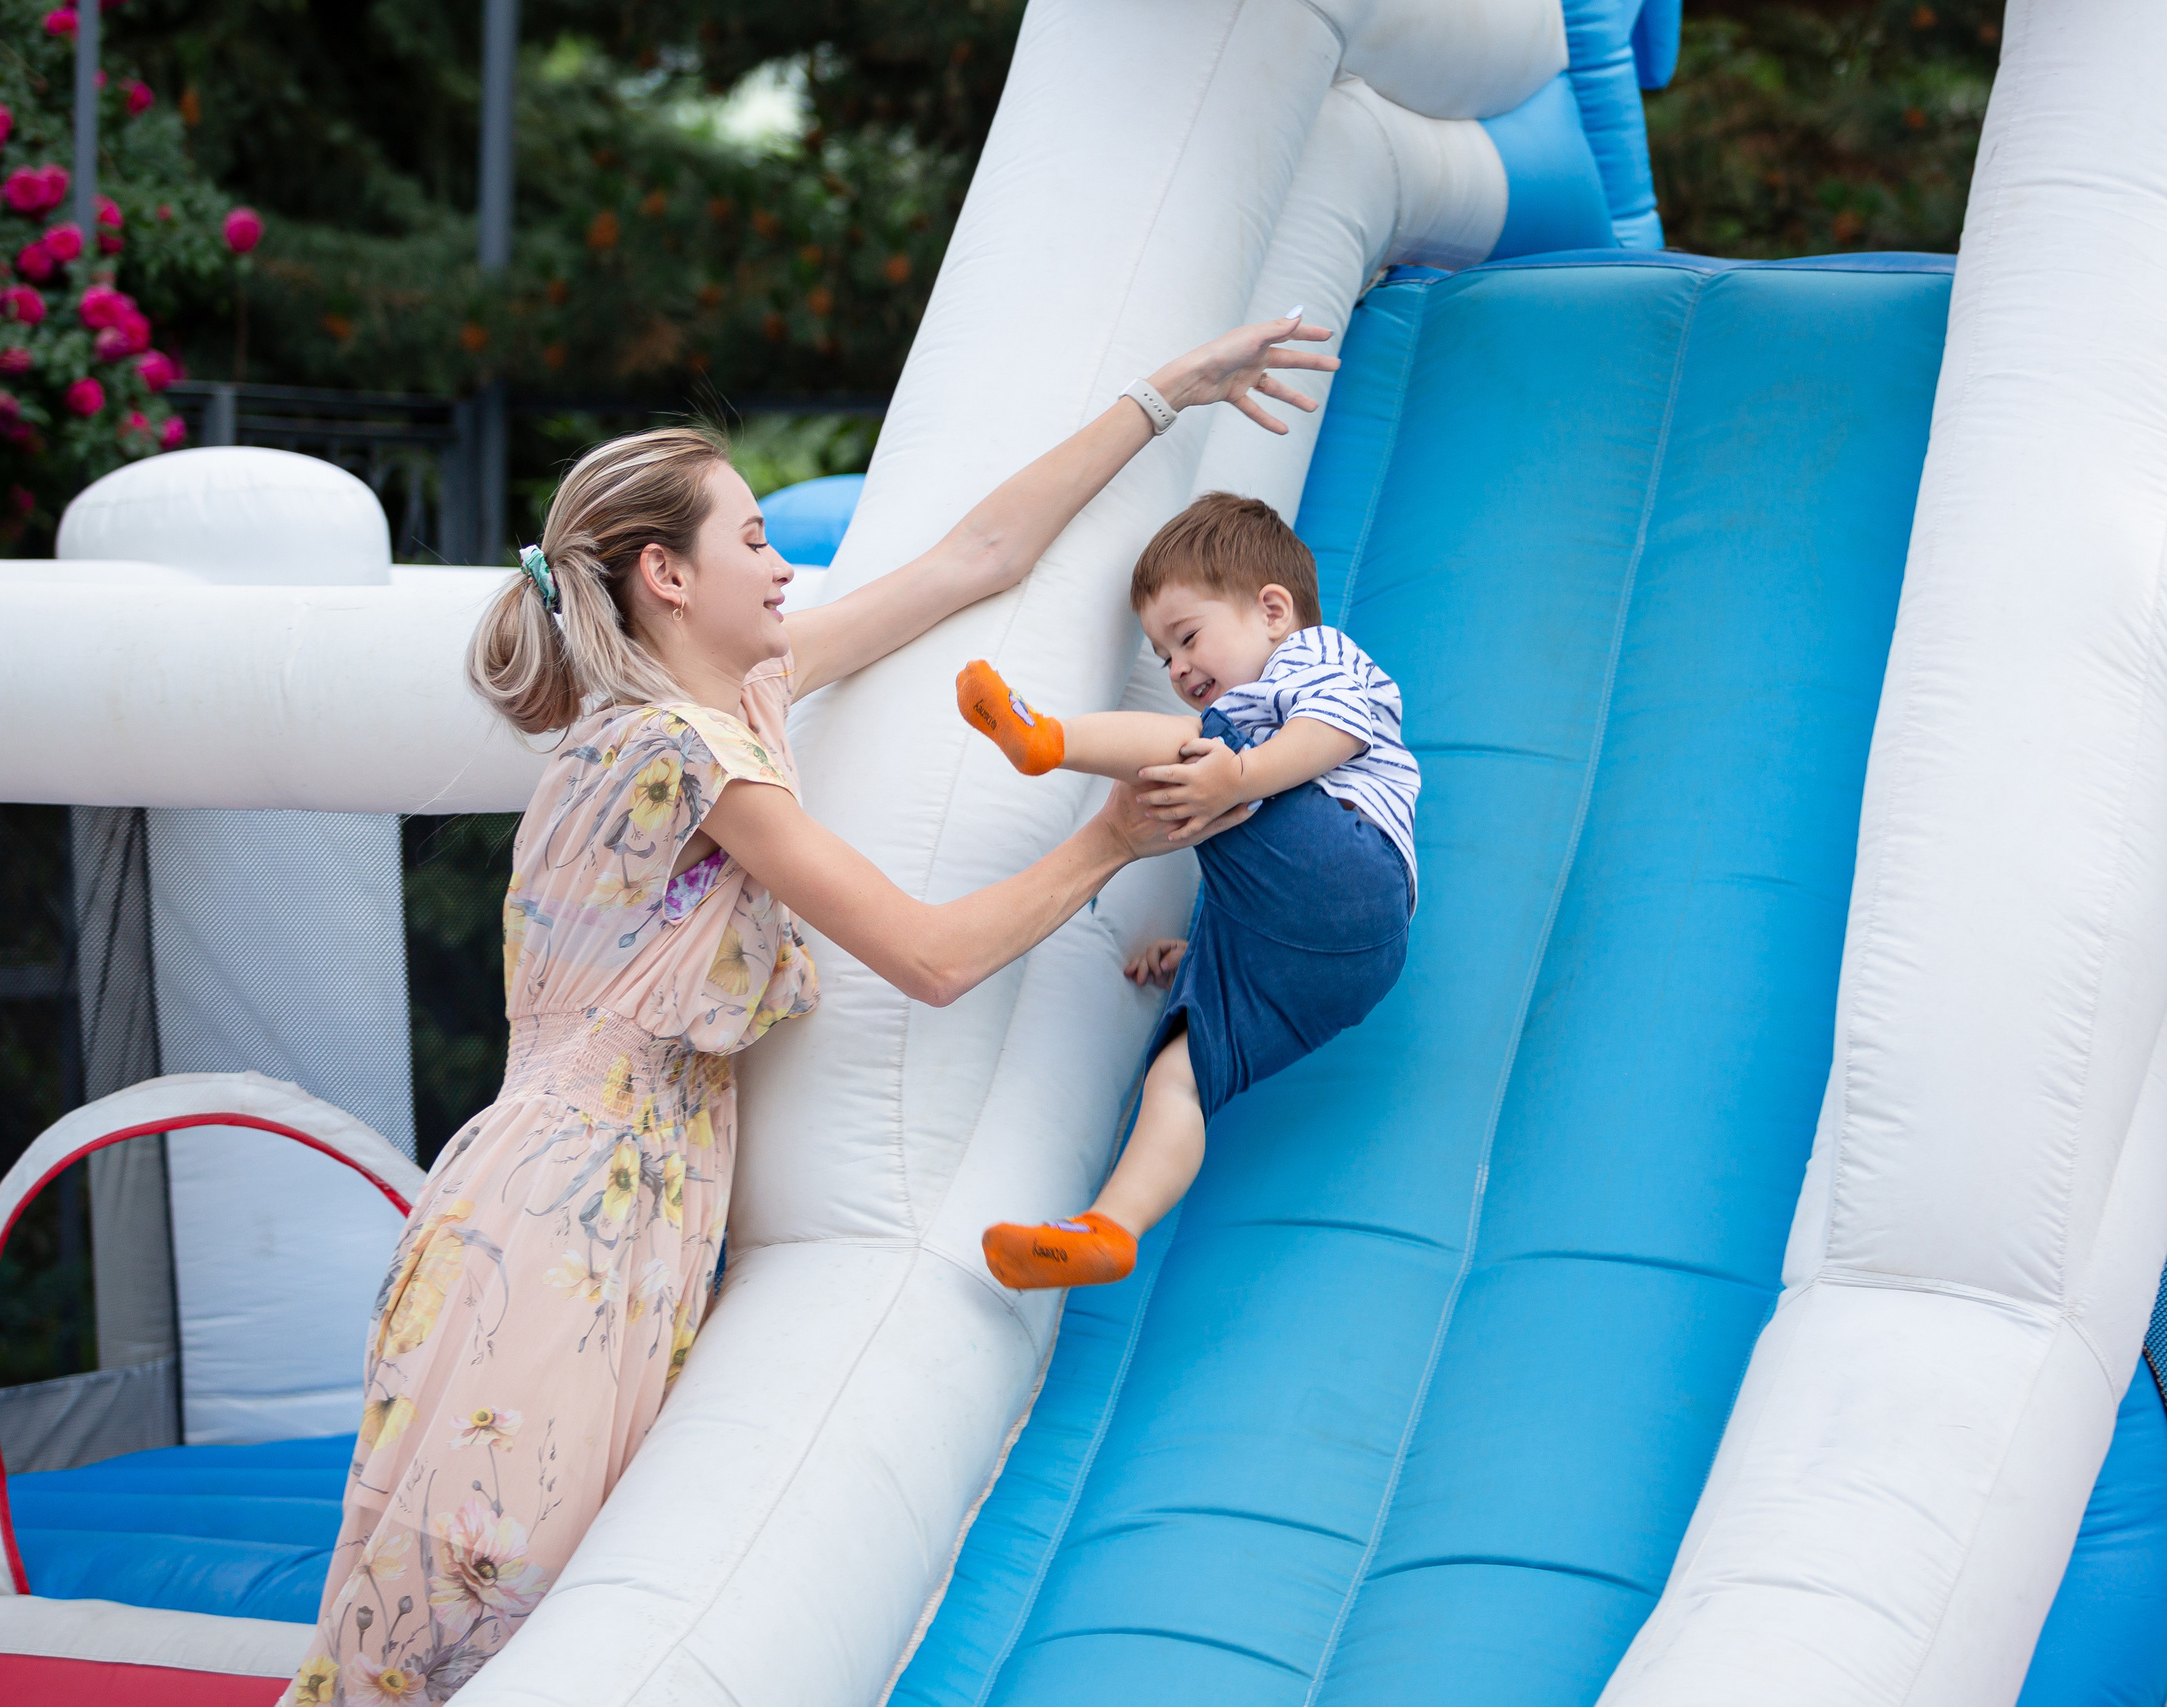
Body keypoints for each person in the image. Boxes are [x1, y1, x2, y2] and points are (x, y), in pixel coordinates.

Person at [285, 314, 1339, 1705]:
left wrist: (1164, 393)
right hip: (563, 1216)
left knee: (519, 1620)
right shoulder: (685, 748)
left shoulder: (738, 703)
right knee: (465, 1626)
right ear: (667, 576)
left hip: (624, 1204)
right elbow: (932, 956)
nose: (785, 567)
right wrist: (1104, 842)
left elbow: (977, 558)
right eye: (755, 543)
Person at [959, 490, 1420, 1290]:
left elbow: (1334, 733)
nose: (1176, 668)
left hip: (1353, 872)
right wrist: (1204, 950)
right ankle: (1108, 1228)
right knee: (1179, 1073)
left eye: (1188, 637)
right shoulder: (1248, 711)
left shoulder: (1317, 657)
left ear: (1273, 609)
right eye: (1162, 654)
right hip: (1313, 960)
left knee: (1189, 754)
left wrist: (1239, 769)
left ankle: (1047, 739)